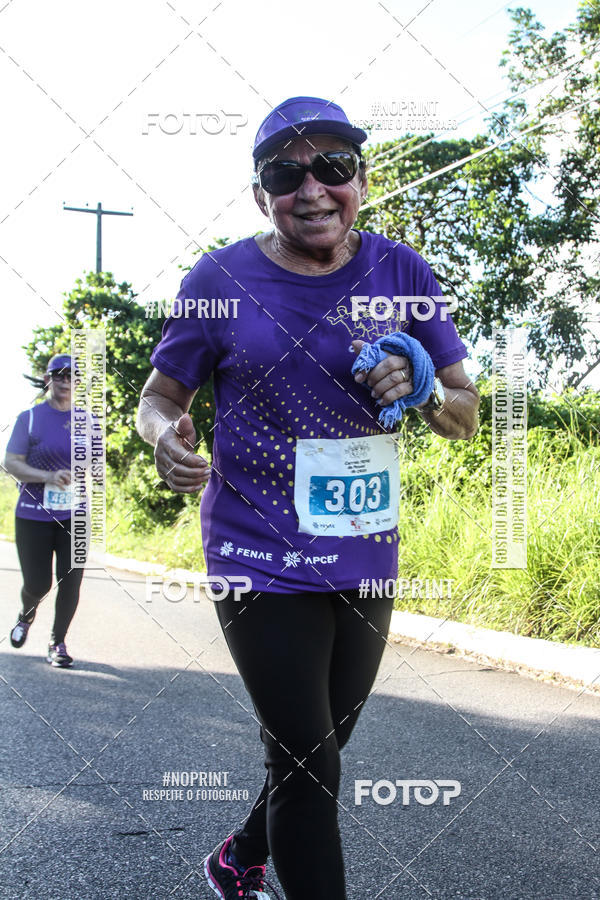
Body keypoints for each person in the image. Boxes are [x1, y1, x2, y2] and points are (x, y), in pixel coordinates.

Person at [137, 96, 479, 900]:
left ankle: (237, 856)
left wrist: (427, 387)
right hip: (256, 552)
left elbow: (464, 416)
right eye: (286, 173)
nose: (312, 188)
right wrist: (162, 436)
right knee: (309, 767)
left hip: (363, 542)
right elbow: (158, 395)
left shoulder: (403, 271)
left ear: (361, 178)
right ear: (261, 194)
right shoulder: (219, 278)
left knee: (317, 750)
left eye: (332, 167)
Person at [5, 354, 84, 668]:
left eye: (71, 376)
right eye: (59, 375)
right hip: (33, 513)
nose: (65, 381)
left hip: (74, 513)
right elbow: (10, 462)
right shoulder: (31, 418)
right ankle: (26, 616)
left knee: (71, 580)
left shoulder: (87, 421)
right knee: (38, 584)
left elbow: (94, 462)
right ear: (48, 379)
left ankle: (58, 641)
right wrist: (46, 476)